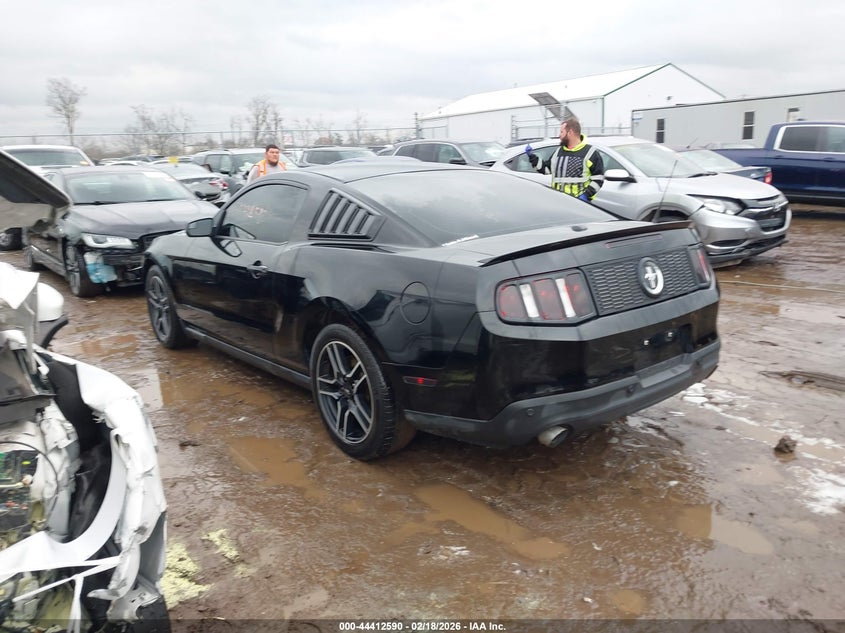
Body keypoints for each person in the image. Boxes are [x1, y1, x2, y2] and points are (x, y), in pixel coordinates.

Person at [528, 118, 604, 202]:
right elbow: (546, 169)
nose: (559, 135)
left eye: (561, 132)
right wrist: (532, 157)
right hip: (559, 203)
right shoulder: (559, 152)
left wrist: (586, 195)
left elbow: (598, 179)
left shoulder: (590, 153)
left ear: (570, 132)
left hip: (580, 205)